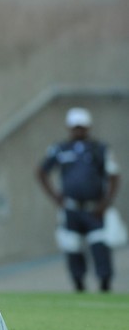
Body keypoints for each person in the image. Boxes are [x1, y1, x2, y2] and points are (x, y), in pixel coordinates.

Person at [37, 107, 119, 292]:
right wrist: (55, 196)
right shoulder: (60, 149)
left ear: (88, 127)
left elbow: (114, 175)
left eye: (82, 127)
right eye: (75, 127)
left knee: (100, 246)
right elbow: (42, 171)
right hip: (71, 208)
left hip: (94, 208)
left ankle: (105, 283)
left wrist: (106, 201)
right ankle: (78, 283)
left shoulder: (100, 148)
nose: (78, 130)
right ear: (69, 128)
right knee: (72, 246)